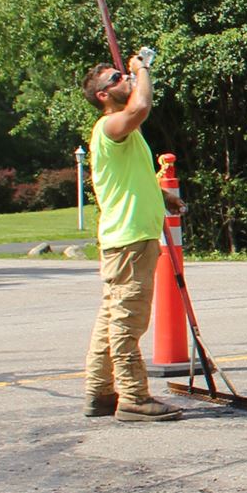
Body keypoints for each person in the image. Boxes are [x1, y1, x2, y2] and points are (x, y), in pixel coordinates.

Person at [81, 52, 183, 423]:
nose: (124, 78)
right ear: (103, 96)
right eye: (116, 78)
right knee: (127, 322)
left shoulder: (125, 132)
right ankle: (134, 397)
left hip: (128, 239)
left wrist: (162, 196)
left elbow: (130, 180)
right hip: (129, 242)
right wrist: (142, 69)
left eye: (124, 74)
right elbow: (141, 106)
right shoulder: (112, 126)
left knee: (111, 317)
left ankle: (100, 392)